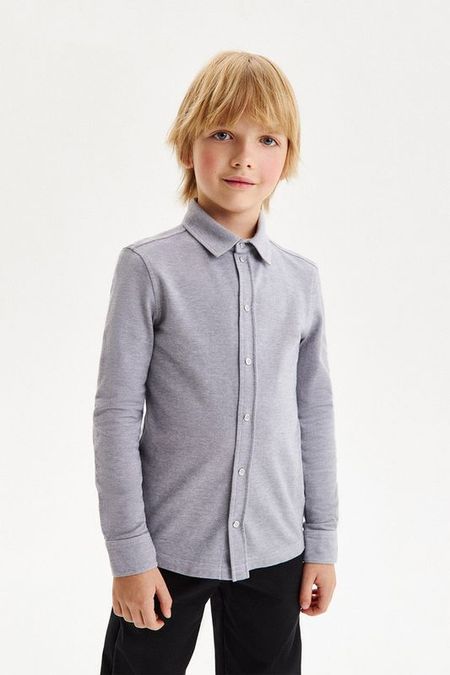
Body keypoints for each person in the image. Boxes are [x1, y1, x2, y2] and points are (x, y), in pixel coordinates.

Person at [93, 49, 339, 675]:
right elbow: (116, 415)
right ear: (187, 145)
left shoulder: (301, 281)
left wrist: (321, 542)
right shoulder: (148, 268)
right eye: (223, 133)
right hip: (166, 551)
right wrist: (129, 555)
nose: (243, 157)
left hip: (277, 550)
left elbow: (314, 416)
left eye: (267, 139)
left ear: (287, 156)